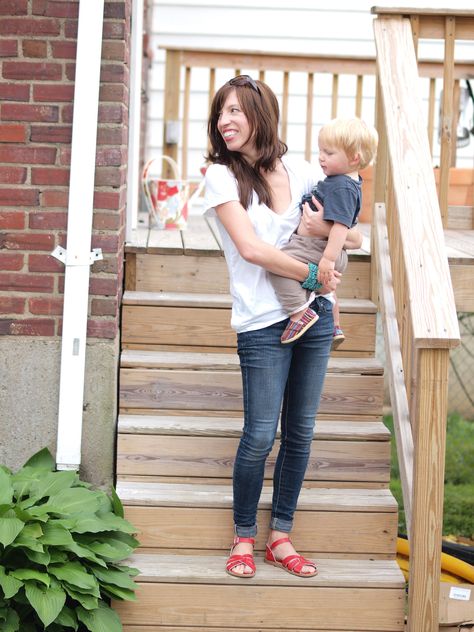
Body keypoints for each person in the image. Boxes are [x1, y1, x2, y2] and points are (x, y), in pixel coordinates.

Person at [204, 75, 363, 579]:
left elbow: (349, 231)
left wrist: (330, 249)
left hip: (312, 315)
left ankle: (281, 537)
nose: (225, 121)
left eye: (234, 111)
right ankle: (244, 537)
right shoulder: (220, 177)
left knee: (301, 433)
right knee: (258, 435)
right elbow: (252, 250)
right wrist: (315, 273)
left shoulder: (299, 167)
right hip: (260, 320)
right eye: (220, 113)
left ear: (259, 113)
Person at [270, 117, 378, 346]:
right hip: (320, 249)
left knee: (278, 268)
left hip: (316, 249)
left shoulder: (341, 187)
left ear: (354, 158)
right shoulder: (344, 182)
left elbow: (341, 227)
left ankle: (299, 314)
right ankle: (334, 327)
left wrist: (328, 260)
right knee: (327, 292)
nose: (321, 157)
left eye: (329, 153)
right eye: (321, 150)